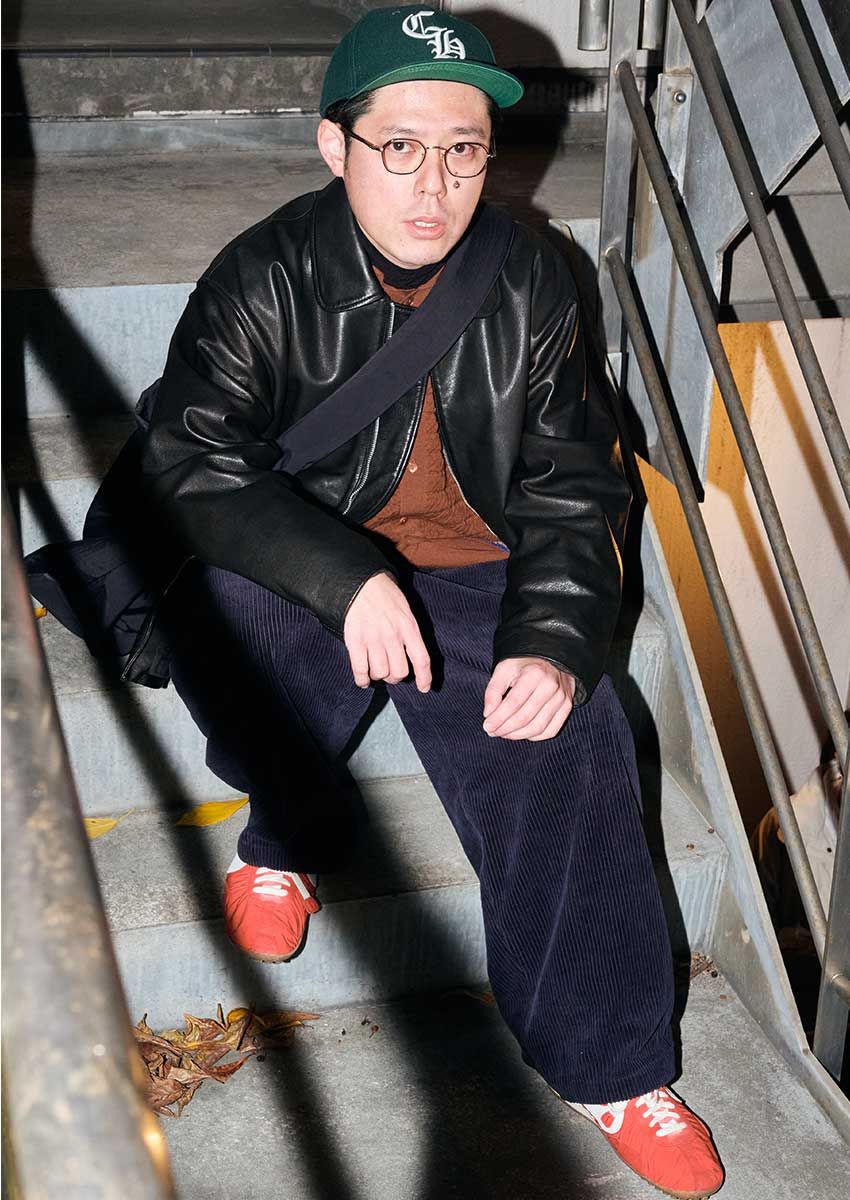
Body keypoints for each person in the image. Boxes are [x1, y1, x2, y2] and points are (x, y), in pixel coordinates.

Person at [140, 7, 724, 1195]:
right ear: (334, 145)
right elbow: (196, 464)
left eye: (462, 151)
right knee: (242, 610)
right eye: (399, 147)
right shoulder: (264, 275)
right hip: (313, 544)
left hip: (473, 565)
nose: (434, 185)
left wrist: (553, 640)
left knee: (572, 730)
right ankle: (284, 835)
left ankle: (612, 1069)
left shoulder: (533, 278)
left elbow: (573, 480)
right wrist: (341, 574)